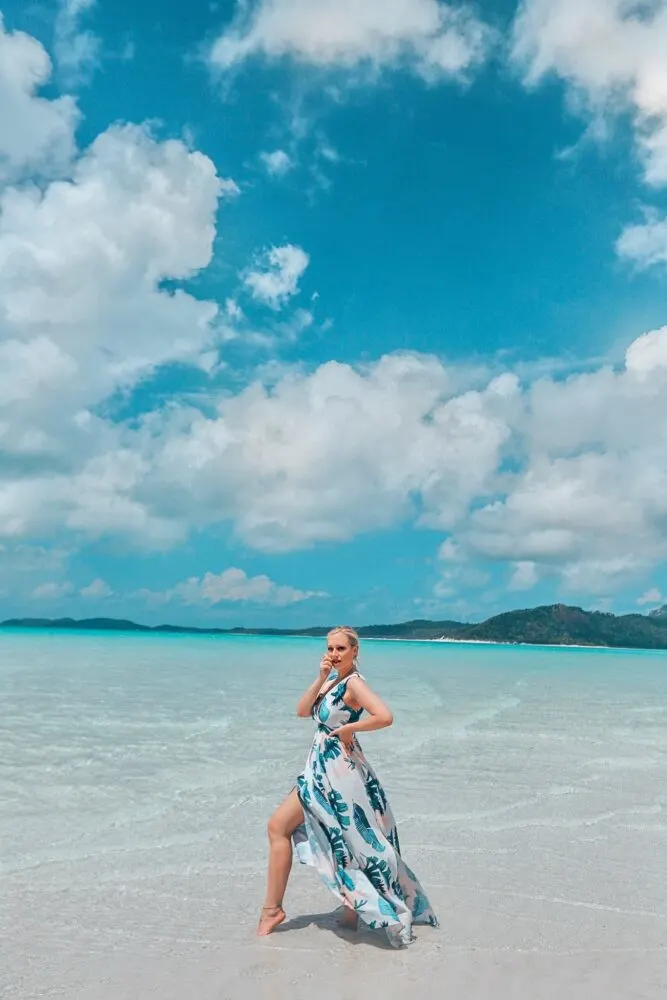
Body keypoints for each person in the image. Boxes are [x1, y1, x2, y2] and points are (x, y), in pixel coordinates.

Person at [257, 625, 438, 948]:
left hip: (336, 772)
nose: (334, 654)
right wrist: (319, 677)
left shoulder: (354, 683)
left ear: (355, 651)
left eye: (341, 649)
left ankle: (273, 910)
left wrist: (350, 728)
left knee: (278, 827)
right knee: (347, 838)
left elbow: (384, 716)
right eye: (330, 648)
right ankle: (350, 914)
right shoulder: (332, 680)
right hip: (320, 768)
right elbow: (302, 711)